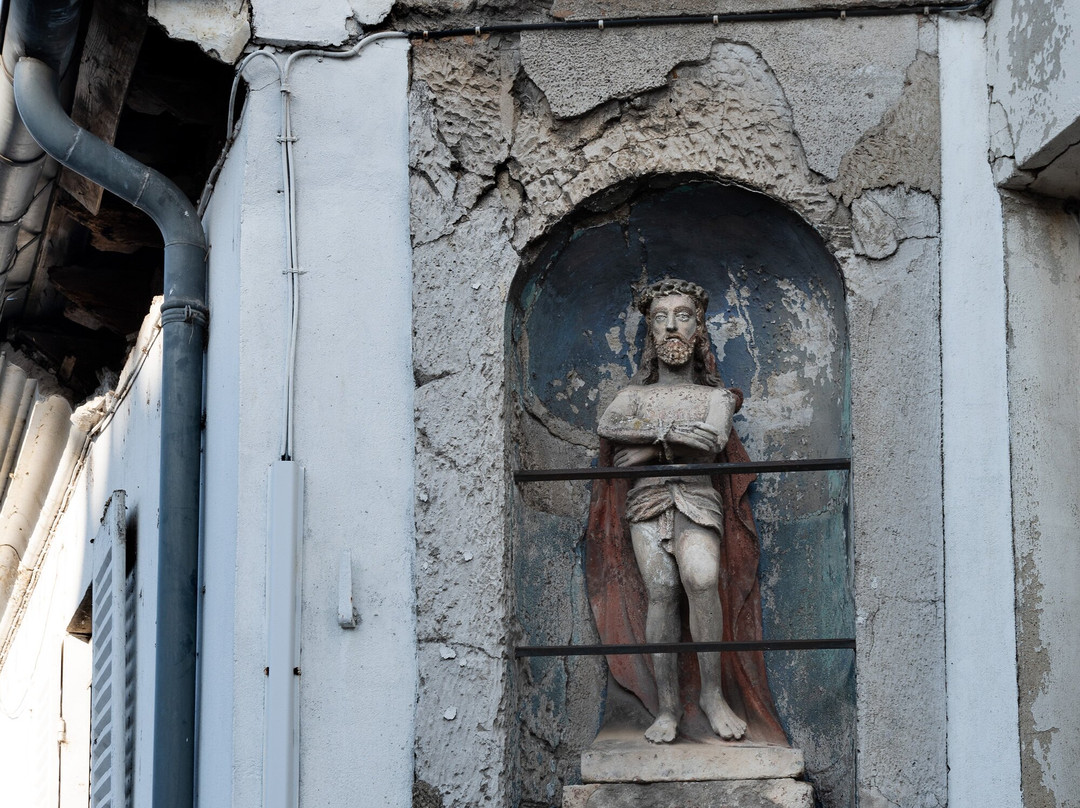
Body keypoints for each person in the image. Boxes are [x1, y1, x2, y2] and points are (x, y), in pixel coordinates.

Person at [588, 278, 786, 745]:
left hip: (698, 499)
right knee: (660, 589)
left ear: (698, 330)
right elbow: (609, 424)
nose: (671, 327)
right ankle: (668, 708)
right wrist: (676, 439)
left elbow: (711, 442)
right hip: (648, 501)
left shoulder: (715, 398)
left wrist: (647, 449)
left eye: (682, 317)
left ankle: (714, 697)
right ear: (651, 335)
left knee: (700, 578)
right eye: (660, 318)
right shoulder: (633, 395)